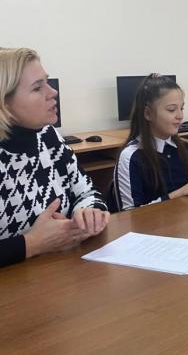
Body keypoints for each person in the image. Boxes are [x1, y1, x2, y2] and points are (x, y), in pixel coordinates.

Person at [0, 47, 109, 268]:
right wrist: (32, 244)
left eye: (47, 82)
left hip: (60, 271)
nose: (53, 92)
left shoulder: (48, 136)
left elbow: (87, 192)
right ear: (4, 103)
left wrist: (89, 212)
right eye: (37, 88)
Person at [115, 74, 188, 210]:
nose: (180, 116)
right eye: (171, 110)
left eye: (181, 108)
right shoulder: (131, 157)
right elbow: (130, 214)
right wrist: (180, 193)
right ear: (148, 113)